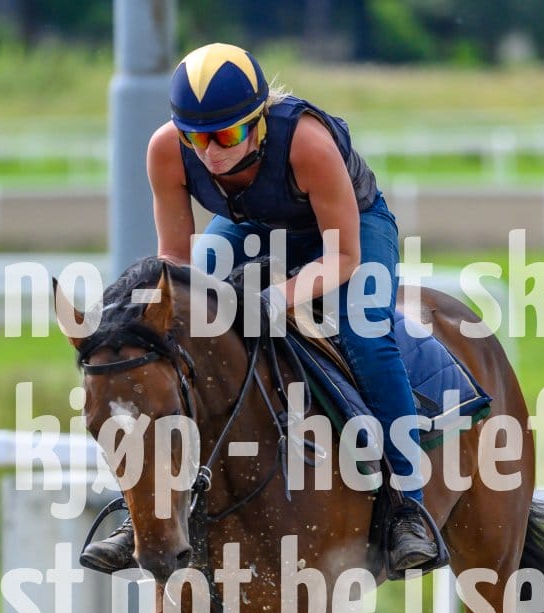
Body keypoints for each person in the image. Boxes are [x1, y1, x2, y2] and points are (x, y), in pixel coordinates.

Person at [80, 42, 438, 575]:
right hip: (249, 225)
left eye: (225, 136)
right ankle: (147, 513)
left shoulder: (307, 143)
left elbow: (343, 257)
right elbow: (175, 263)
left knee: (365, 330)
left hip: (346, 232)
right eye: (195, 138)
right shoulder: (165, 150)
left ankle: (408, 504)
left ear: (260, 122)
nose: (210, 153)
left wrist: (274, 299)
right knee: (187, 324)